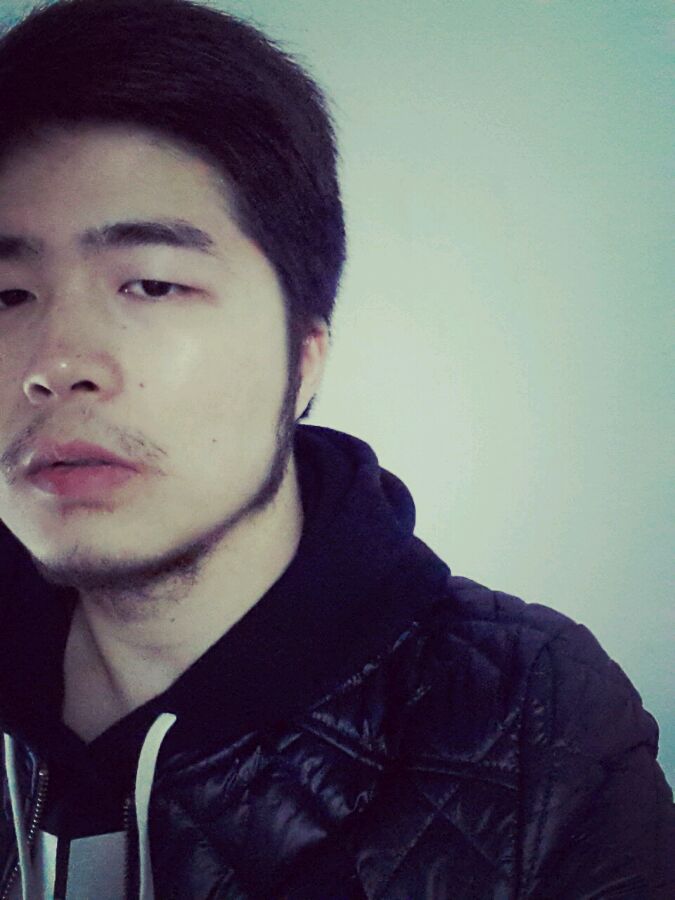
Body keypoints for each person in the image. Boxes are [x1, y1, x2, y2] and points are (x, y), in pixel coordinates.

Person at [0, 0, 671, 897]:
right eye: (6, 296)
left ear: (304, 357)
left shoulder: (534, 719)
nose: (56, 365)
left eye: (152, 285)